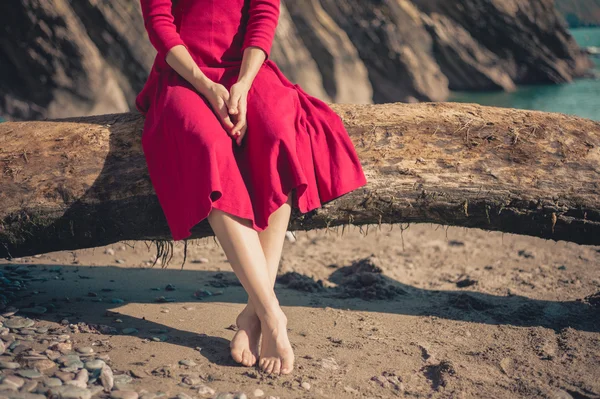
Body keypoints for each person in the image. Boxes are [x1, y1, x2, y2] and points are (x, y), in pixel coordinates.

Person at [135, 0, 368, 375]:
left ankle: (251, 314)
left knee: (278, 132)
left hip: (248, 72)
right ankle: (273, 314)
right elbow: (159, 22)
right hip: (185, 75)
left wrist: (242, 84)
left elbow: (263, 14)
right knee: (207, 147)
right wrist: (208, 87)